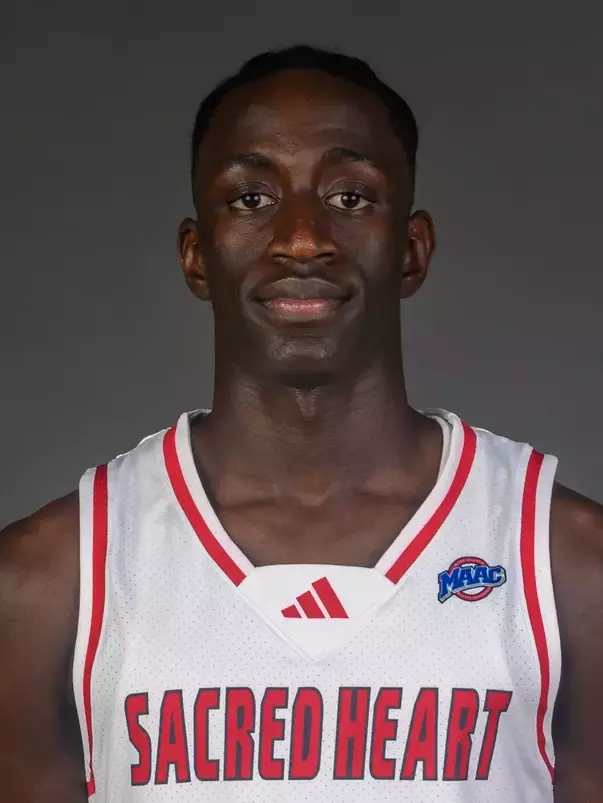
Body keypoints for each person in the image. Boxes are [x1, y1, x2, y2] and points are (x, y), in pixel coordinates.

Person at [0, 44, 601, 803]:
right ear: (195, 255)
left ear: (411, 251)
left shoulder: (569, 569)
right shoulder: (46, 584)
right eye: (251, 198)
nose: (301, 238)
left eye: (350, 197)